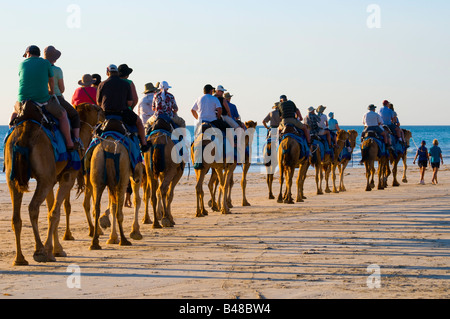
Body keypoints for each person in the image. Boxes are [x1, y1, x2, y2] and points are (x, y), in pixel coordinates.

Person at [12, 45, 74, 150]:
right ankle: (69, 142)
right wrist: (51, 91)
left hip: (23, 100)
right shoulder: (46, 63)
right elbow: (51, 81)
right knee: (63, 115)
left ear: (28, 54)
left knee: (14, 114)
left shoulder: (21, 64)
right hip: (42, 100)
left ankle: (11, 138)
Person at [96, 64, 150, 152]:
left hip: (106, 114)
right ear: (117, 72)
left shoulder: (102, 84)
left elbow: (98, 103)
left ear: (107, 72)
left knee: (93, 129)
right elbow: (130, 102)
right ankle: (144, 144)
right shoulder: (126, 84)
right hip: (122, 113)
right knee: (139, 123)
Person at [43, 46, 81, 148]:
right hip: (56, 97)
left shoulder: (40, 68)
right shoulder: (57, 70)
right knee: (75, 115)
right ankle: (76, 140)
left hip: (41, 97)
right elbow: (62, 89)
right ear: (55, 59)